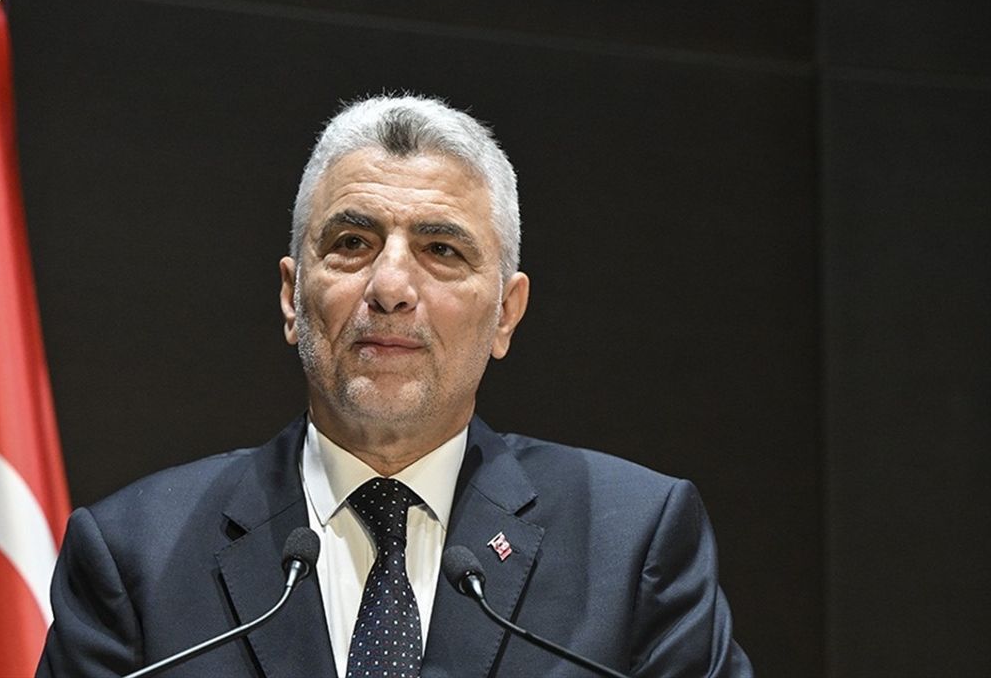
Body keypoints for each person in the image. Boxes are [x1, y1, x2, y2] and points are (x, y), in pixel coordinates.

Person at [37, 95, 753, 677]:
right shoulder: (136, 555)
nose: (390, 287)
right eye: (352, 244)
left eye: (441, 250)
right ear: (292, 298)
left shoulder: (633, 540)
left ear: (506, 313)